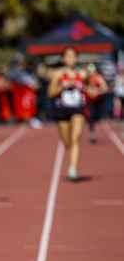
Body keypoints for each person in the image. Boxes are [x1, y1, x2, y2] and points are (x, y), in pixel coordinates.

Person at [48, 47, 87, 180]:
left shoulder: (83, 74)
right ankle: (71, 154)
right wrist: (63, 86)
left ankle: (73, 169)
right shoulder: (58, 74)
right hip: (62, 109)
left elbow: (90, 89)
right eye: (68, 56)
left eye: (73, 56)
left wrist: (84, 88)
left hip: (78, 108)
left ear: (76, 58)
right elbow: (50, 93)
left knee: (76, 138)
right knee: (67, 142)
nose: (70, 59)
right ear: (64, 59)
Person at [85, 64, 108, 144]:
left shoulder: (99, 78)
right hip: (90, 101)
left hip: (98, 101)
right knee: (91, 116)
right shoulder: (86, 78)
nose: (91, 73)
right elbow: (82, 87)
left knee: (97, 117)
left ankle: (94, 129)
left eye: (93, 71)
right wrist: (88, 91)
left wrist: (97, 92)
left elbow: (105, 88)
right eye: (90, 71)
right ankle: (92, 134)